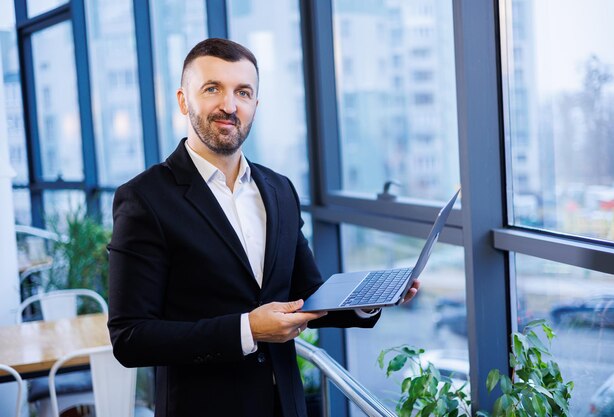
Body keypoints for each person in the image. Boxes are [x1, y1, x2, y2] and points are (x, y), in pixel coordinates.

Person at [107, 38, 419, 417]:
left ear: (256, 104)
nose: (229, 105)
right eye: (212, 89)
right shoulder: (145, 198)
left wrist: (370, 300)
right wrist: (247, 330)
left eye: (243, 92)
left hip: (286, 406)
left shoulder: (279, 189)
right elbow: (130, 338)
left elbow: (306, 292)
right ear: (183, 100)